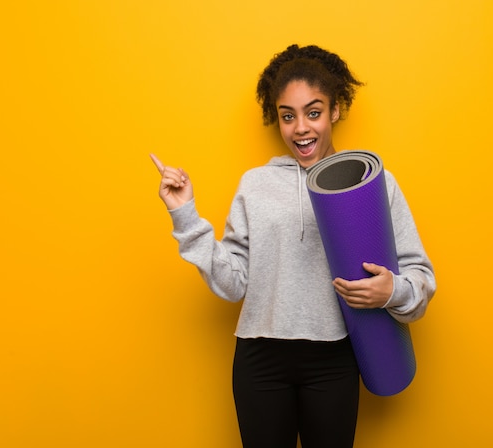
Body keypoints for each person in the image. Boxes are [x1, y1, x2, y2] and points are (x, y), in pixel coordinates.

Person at [150, 44, 436, 448]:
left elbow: (420, 278)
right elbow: (233, 284)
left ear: (335, 110)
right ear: (277, 119)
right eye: (288, 116)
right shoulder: (255, 184)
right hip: (260, 359)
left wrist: (393, 291)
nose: (301, 127)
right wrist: (186, 216)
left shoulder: (374, 184)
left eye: (313, 112)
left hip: (335, 358)